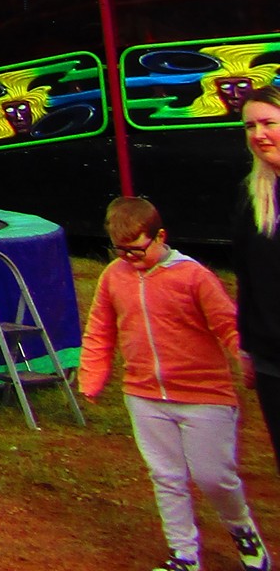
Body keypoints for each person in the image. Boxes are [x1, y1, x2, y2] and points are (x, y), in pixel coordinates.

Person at [80, 194, 269, 571]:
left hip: (204, 395)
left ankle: (241, 526)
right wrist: (92, 377)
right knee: (166, 476)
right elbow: (99, 330)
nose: (127, 259)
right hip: (144, 394)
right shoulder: (113, 278)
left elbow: (227, 323)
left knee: (213, 476)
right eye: (119, 251)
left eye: (136, 250)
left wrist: (244, 358)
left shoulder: (194, 276)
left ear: (160, 236)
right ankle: (183, 554)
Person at [236, 85, 280, 469]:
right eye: (250, 126)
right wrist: (247, 347)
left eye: (268, 123)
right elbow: (247, 278)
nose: (258, 135)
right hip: (271, 358)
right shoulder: (252, 196)